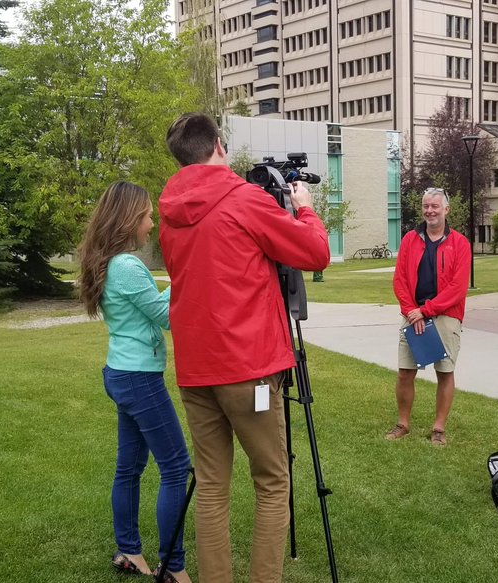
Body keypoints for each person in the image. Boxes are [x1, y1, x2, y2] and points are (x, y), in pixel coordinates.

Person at [158, 113, 331, 583]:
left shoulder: (169, 212)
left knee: (212, 486)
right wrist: (306, 208)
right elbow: (315, 253)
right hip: (249, 367)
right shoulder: (243, 199)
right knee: (273, 482)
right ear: (218, 145)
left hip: (196, 368)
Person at [77, 181, 193, 583]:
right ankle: (173, 567)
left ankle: (128, 550)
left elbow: (150, 305)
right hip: (139, 379)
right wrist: (185, 271)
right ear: (129, 219)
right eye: (146, 215)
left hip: (120, 373)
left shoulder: (108, 261)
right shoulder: (126, 265)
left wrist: (168, 287)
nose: (151, 222)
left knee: (129, 467)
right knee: (176, 467)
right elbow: (165, 316)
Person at [386, 187, 472, 446]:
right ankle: (403, 424)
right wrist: (413, 312)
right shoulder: (410, 240)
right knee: (404, 371)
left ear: (446, 209)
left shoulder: (460, 243)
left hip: (445, 315)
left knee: (445, 372)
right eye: (426, 206)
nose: (429, 211)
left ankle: (438, 428)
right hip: (413, 315)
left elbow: (457, 288)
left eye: (435, 206)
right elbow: (400, 280)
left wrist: (426, 310)